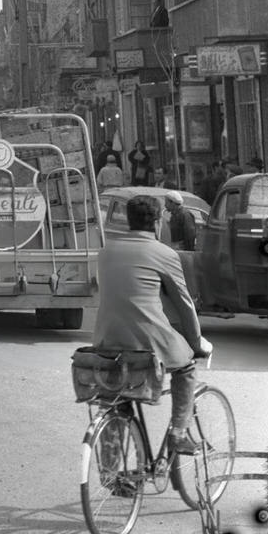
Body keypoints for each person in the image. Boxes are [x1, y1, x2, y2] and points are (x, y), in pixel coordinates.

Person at [91, 194, 211, 454]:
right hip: (147, 344)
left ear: (128, 222)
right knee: (187, 368)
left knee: (113, 400)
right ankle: (178, 434)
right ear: (158, 223)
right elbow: (184, 302)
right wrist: (196, 342)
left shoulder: (105, 252)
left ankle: (112, 474)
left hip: (105, 342)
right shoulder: (164, 253)